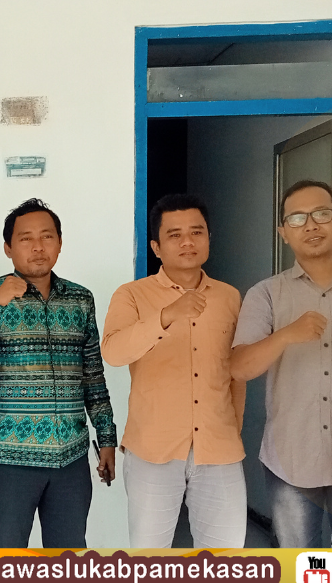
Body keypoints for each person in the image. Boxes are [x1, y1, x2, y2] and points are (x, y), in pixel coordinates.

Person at [0, 198, 118, 548]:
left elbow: (93, 376)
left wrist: (106, 439)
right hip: (10, 460)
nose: (38, 246)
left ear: (60, 242)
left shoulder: (80, 299)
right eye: (26, 238)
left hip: (71, 458)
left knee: (68, 560)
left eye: (47, 236)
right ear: (8, 248)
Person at [229, 181, 332, 548]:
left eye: (322, 214)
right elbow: (240, 368)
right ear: (283, 233)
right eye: (297, 218)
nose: (311, 225)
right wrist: (286, 335)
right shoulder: (266, 294)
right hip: (291, 459)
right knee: (303, 570)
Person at [102, 193, 245, 548]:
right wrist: (166, 316)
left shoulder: (229, 297)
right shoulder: (132, 295)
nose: (187, 242)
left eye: (196, 232)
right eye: (174, 235)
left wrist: (233, 427)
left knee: (226, 561)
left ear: (209, 238)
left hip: (219, 449)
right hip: (153, 448)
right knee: (149, 560)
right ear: (156, 247)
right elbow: (114, 352)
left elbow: (236, 369)